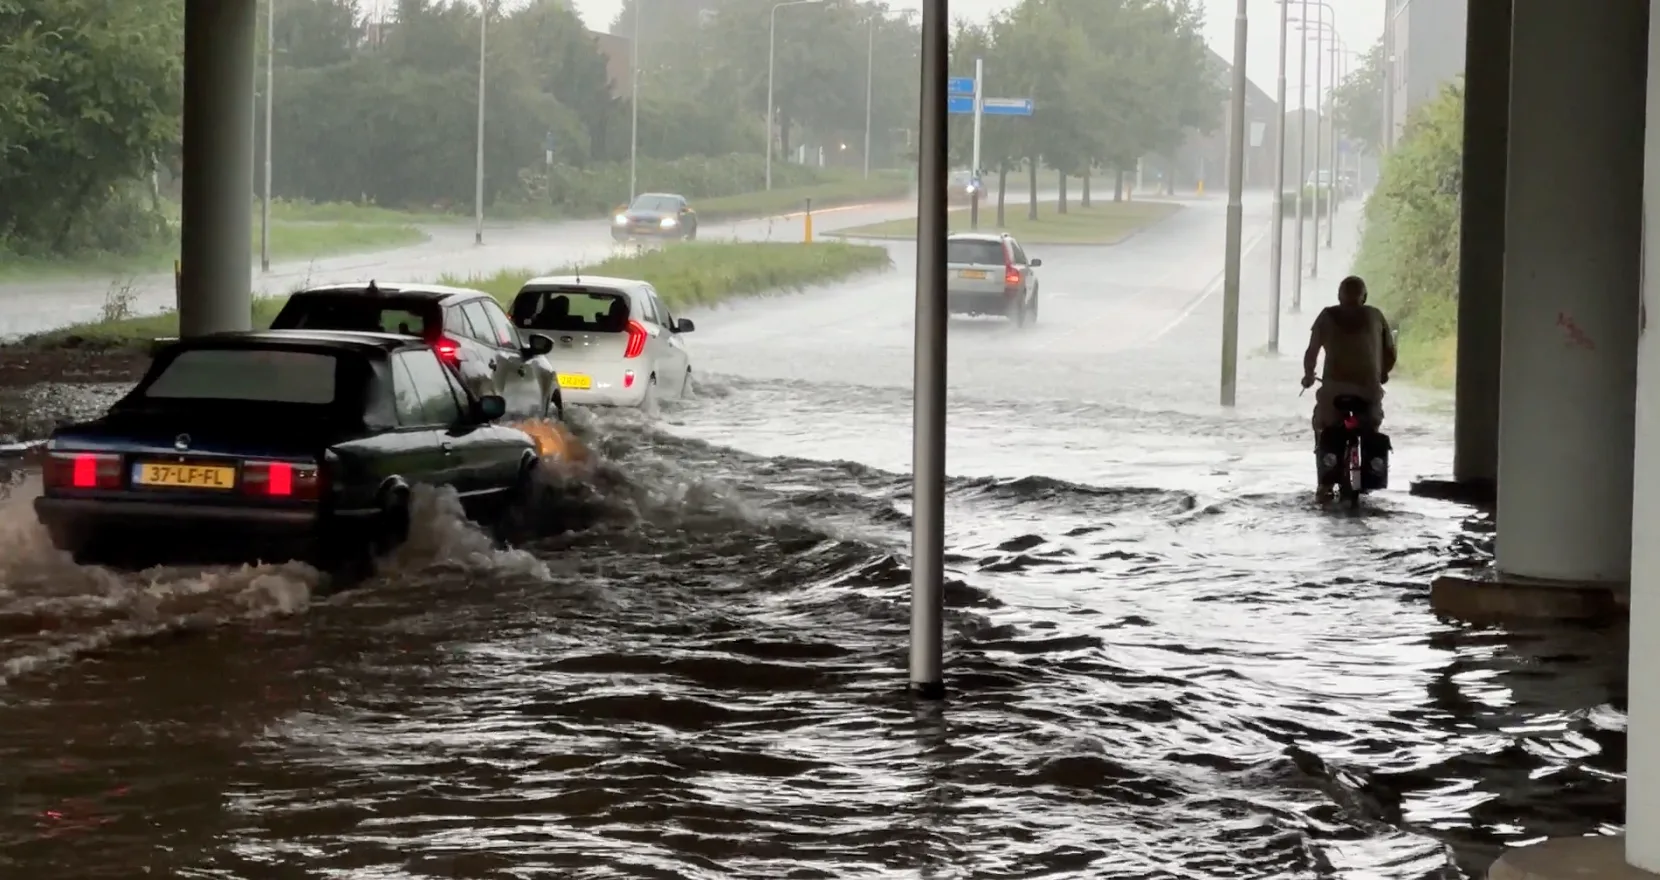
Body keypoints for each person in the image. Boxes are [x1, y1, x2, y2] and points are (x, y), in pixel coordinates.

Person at [1300, 275, 1397, 497]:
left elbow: (1312, 351)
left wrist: (1308, 375)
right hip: (1368, 391)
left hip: (1334, 392)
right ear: (1364, 297)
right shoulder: (1375, 315)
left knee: (1322, 424)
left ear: (1339, 296)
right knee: (1370, 427)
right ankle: (1369, 473)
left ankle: (1324, 482)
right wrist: (1382, 374)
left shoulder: (1327, 316)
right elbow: (1390, 353)